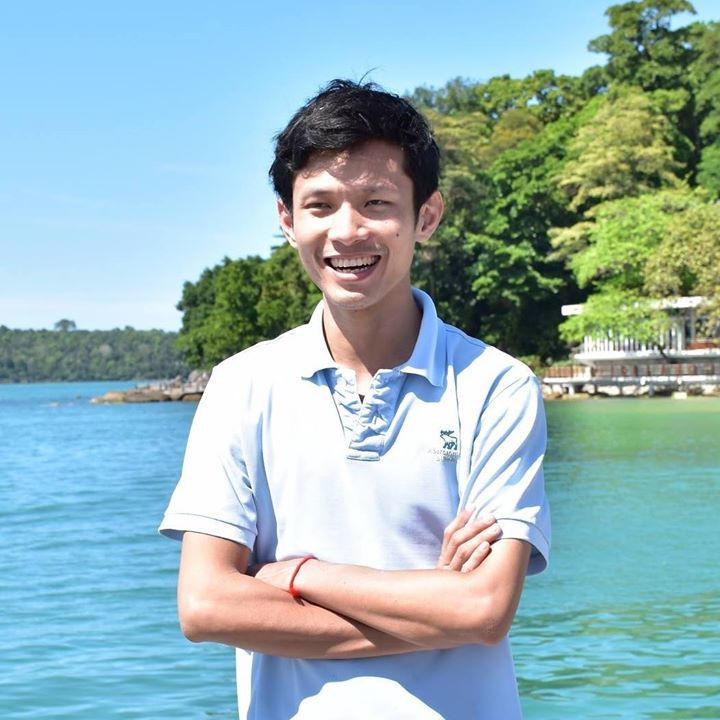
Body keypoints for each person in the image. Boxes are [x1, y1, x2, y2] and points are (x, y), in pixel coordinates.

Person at [159, 79, 550, 720]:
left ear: (426, 216)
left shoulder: (496, 386)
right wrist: (434, 609)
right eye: (320, 205)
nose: (347, 231)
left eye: (376, 202)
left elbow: (483, 610)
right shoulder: (240, 386)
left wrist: (297, 574)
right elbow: (205, 607)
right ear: (288, 221)